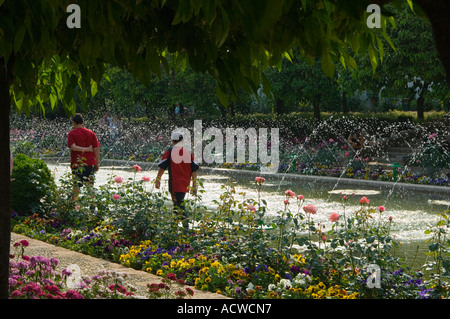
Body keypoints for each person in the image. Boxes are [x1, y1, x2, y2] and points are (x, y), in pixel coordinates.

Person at [155, 131, 199, 229]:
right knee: (177, 204)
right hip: (185, 183)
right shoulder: (188, 152)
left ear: (173, 141)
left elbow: (162, 167)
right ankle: (174, 227)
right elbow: (194, 170)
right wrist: (194, 185)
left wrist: (158, 179)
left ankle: (186, 228)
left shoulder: (170, 151)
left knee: (178, 205)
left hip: (174, 183)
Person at [67, 113, 101, 191]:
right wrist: (97, 163)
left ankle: (74, 203)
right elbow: (96, 149)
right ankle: (93, 203)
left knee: (76, 188)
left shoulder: (71, 133)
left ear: (74, 123)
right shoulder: (91, 133)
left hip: (77, 164)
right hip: (89, 163)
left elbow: (73, 147)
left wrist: (85, 149)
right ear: (83, 122)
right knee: (90, 188)